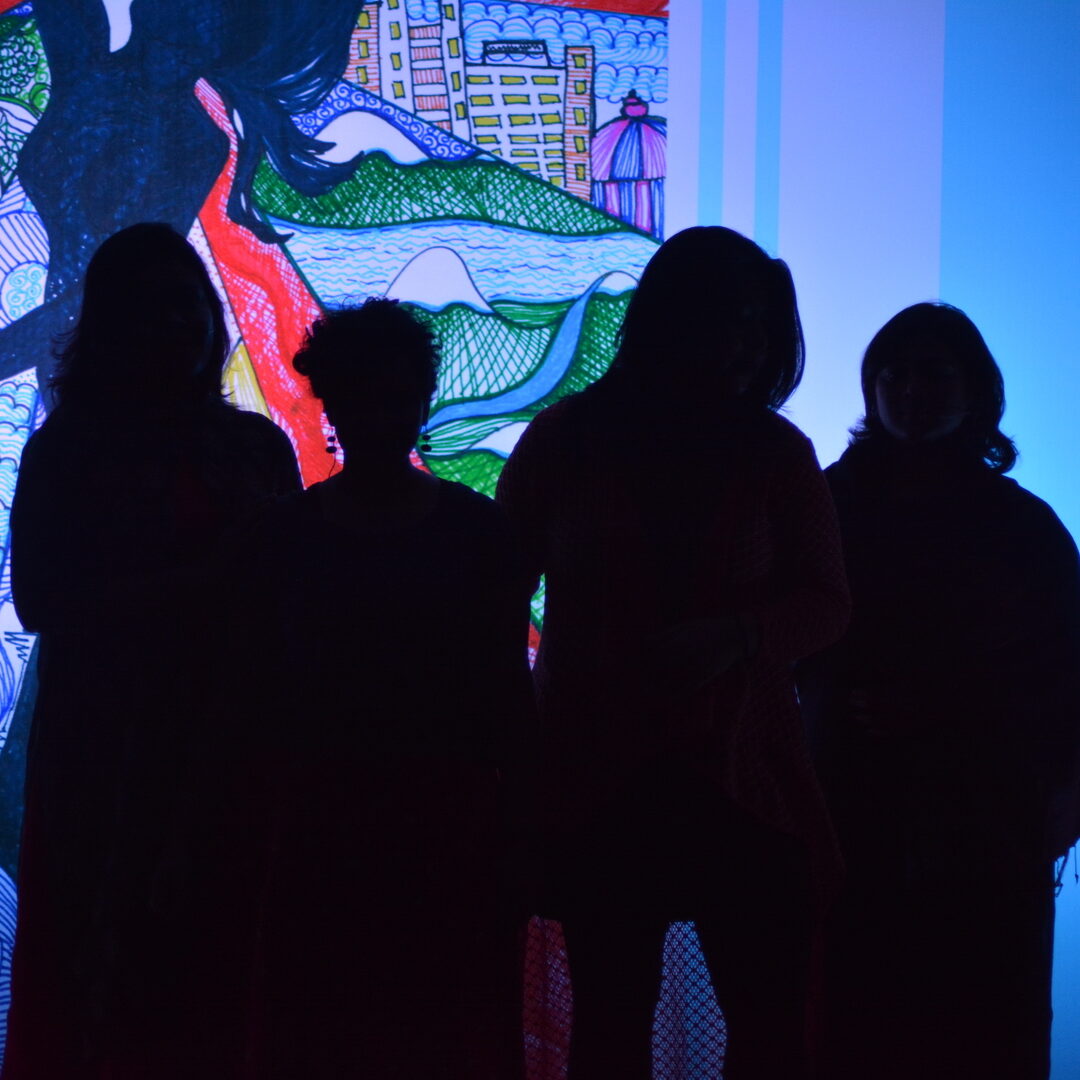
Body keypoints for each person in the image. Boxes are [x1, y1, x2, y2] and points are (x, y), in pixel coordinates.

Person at [495, 226, 851, 1080]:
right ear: (671, 319)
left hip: (740, 780)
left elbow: (830, 606)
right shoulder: (568, 439)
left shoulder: (774, 453)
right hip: (601, 782)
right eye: (732, 317)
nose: (750, 343)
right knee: (614, 1027)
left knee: (759, 1031)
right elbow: (492, 598)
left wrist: (737, 637)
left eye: (759, 323)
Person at [5, 222, 301, 1079]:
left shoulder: (254, 446)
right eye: (152, 309)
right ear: (110, 327)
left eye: (188, 304)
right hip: (111, 753)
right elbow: (42, 598)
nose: (176, 323)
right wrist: (215, 575)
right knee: (114, 975)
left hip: (237, 746)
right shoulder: (69, 448)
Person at [229, 299, 534, 1079]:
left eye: (392, 394)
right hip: (417, 824)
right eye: (370, 394)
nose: (382, 413)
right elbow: (505, 698)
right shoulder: (477, 532)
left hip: (353, 825)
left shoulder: (283, 537)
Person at [797, 302, 1080, 1080]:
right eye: (892, 372)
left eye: (932, 372)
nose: (908, 388)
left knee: (985, 1028)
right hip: (847, 812)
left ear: (976, 391)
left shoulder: (1026, 528)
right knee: (852, 1025)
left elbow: (1069, 672)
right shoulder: (821, 504)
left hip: (988, 823)